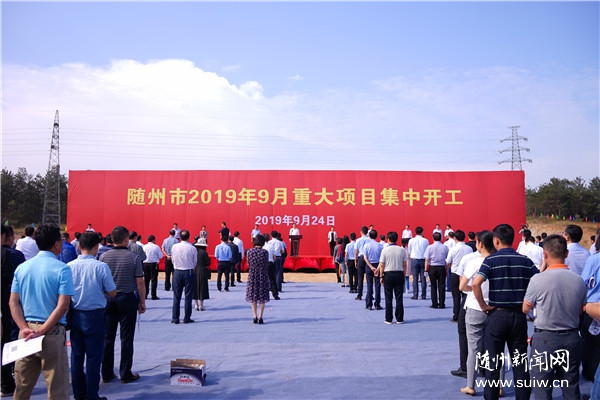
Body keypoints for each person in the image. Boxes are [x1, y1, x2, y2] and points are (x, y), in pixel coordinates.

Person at [472, 223, 537, 400]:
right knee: (520, 363)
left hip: (497, 316)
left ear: (496, 240)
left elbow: (476, 283)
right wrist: (530, 304)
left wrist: (483, 305)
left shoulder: (490, 261)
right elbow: (538, 281)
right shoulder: (525, 261)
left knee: (492, 364)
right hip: (518, 316)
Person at [9, 223, 74, 399]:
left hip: (26, 332)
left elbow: (13, 302)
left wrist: (23, 328)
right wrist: (42, 331)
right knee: (57, 388)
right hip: (51, 331)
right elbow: (62, 306)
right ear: (56, 244)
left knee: (22, 387)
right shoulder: (62, 269)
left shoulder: (22, 268)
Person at [521, 234, 588, 400]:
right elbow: (581, 310)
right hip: (572, 337)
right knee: (571, 386)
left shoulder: (537, 279)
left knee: (542, 387)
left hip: (545, 338)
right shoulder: (579, 280)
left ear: (545, 254)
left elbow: (525, 308)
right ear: (566, 253)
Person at [68, 232, 117, 400]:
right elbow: (112, 292)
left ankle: (78, 394)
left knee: (76, 357)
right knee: (94, 358)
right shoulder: (101, 267)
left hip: (75, 314)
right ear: (97, 247)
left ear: (79, 246)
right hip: (95, 315)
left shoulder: (69, 266)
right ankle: (92, 395)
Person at [99, 225, 146, 384]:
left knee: (108, 337)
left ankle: (106, 372)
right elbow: (140, 282)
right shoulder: (134, 257)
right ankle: (125, 373)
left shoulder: (103, 257)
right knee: (126, 338)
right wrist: (142, 301)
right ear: (126, 239)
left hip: (108, 299)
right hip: (127, 298)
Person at [458, 230, 497, 396]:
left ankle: (471, 385)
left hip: (475, 308)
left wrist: (472, 291)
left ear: (480, 244)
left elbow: (462, 286)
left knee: (473, 349)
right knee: (497, 349)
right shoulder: (497, 261)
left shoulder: (474, 262)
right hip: (496, 308)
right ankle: (498, 386)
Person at [581, 231, 600, 383]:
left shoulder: (593, 259)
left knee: (591, 345)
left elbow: (583, 282)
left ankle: (592, 376)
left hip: (592, 307)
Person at [378, 231, 407, 324]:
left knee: (388, 298)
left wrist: (381, 276)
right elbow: (405, 265)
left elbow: (381, 264)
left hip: (388, 274)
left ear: (388, 239)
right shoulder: (402, 250)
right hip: (399, 273)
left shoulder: (385, 250)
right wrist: (404, 275)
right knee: (399, 298)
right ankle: (399, 319)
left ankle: (388, 319)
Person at [170, 230, 196, 324]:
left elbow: (173, 259)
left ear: (180, 237)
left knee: (176, 296)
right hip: (188, 271)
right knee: (188, 296)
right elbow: (194, 262)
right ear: (189, 237)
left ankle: (175, 318)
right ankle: (187, 318)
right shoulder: (192, 248)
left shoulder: (174, 247)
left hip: (177, 271)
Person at [446, 230, 473, 322]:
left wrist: (451, 266)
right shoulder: (469, 249)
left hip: (455, 273)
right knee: (465, 295)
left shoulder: (453, 249)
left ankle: (456, 315)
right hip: (466, 274)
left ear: (455, 238)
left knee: (456, 296)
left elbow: (448, 262)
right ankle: (464, 315)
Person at [245, 234, 271, 324]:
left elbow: (248, 263)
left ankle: (254, 316)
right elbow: (266, 263)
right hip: (262, 274)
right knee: (262, 296)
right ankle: (261, 316)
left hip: (252, 274)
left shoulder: (249, 252)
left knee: (253, 295)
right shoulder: (265, 252)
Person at [424, 232, 449, 309]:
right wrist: (447, 269)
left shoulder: (430, 247)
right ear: (441, 238)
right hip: (441, 267)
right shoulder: (445, 247)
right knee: (442, 286)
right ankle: (441, 304)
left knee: (433, 286)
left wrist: (425, 269)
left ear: (433, 238)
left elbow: (427, 259)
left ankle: (434, 304)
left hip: (433, 267)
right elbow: (447, 260)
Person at [364, 229, 383, 311]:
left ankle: (369, 304)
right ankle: (377, 304)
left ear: (369, 236)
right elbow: (382, 259)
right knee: (378, 286)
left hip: (369, 266)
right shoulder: (380, 246)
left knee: (369, 286)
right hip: (377, 265)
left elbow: (365, 258)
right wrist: (377, 268)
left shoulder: (366, 245)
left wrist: (371, 267)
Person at [408, 226, 429, 300]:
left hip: (414, 259)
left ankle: (415, 294)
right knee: (423, 278)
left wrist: (412, 255)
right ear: (422, 232)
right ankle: (423, 295)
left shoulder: (411, 240)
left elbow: (409, 250)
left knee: (415, 278)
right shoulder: (425, 240)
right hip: (423, 260)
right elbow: (427, 250)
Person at [142, 234, 163, 300]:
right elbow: (160, 256)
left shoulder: (144, 247)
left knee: (146, 279)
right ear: (153, 240)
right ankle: (153, 295)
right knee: (154, 279)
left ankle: (145, 295)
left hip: (145, 264)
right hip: (154, 264)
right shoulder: (156, 247)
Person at [193, 238, 211, 311]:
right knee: (202, 287)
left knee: (195, 287)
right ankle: (201, 305)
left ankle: (196, 305)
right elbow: (208, 262)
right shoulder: (204, 252)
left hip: (195, 270)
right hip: (202, 270)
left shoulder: (194, 251)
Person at [262, 233, 280, 300]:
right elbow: (274, 256)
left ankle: (263, 295)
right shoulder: (271, 246)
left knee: (263, 280)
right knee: (272, 279)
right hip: (270, 263)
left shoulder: (262, 247)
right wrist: (272, 262)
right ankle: (275, 295)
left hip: (263, 264)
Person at [354, 226, 369, 301]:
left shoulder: (358, 240)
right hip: (368, 258)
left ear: (361, 232)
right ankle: (370, 294)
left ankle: (359, 295)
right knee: (369, 277)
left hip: (361, 258)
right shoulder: (369, 240)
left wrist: (355, 260)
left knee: (360, 277)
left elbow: (356, 252)